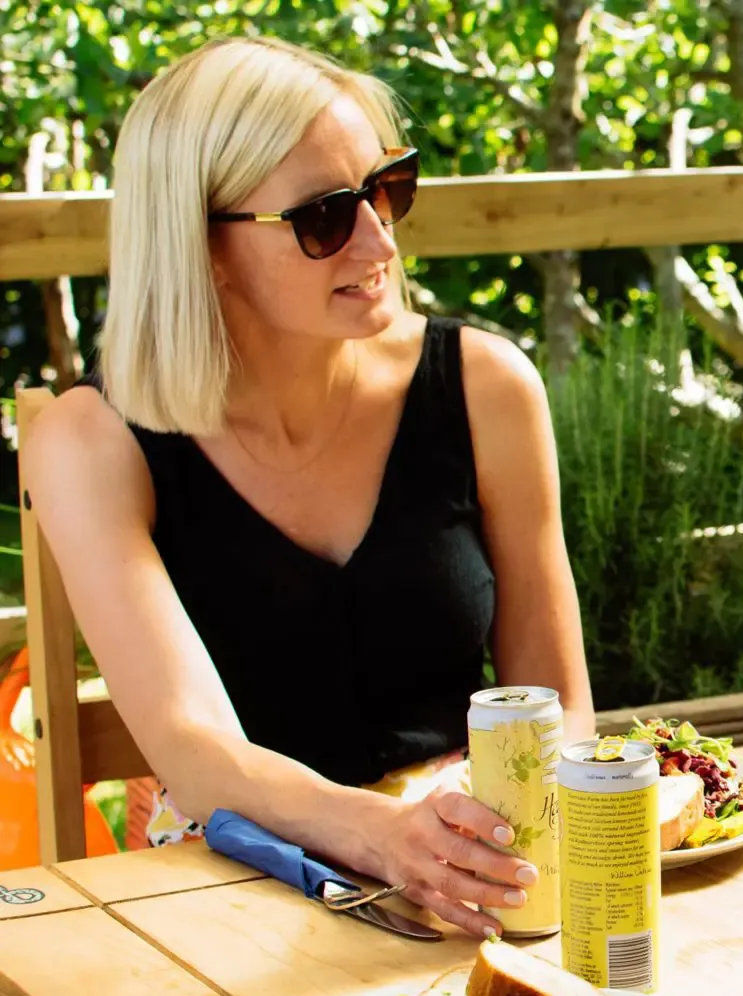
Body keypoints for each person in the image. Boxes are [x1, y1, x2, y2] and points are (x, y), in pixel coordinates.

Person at [23, 36, 593, 938]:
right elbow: (194, 750)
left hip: (466, 866)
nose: (378, 237)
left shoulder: (486, 386)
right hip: (231, 879)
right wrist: (386, 836)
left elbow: (557, 713)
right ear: (202, 246)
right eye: (325, 215)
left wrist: (480, 852)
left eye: (388, 188)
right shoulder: (89, 443)